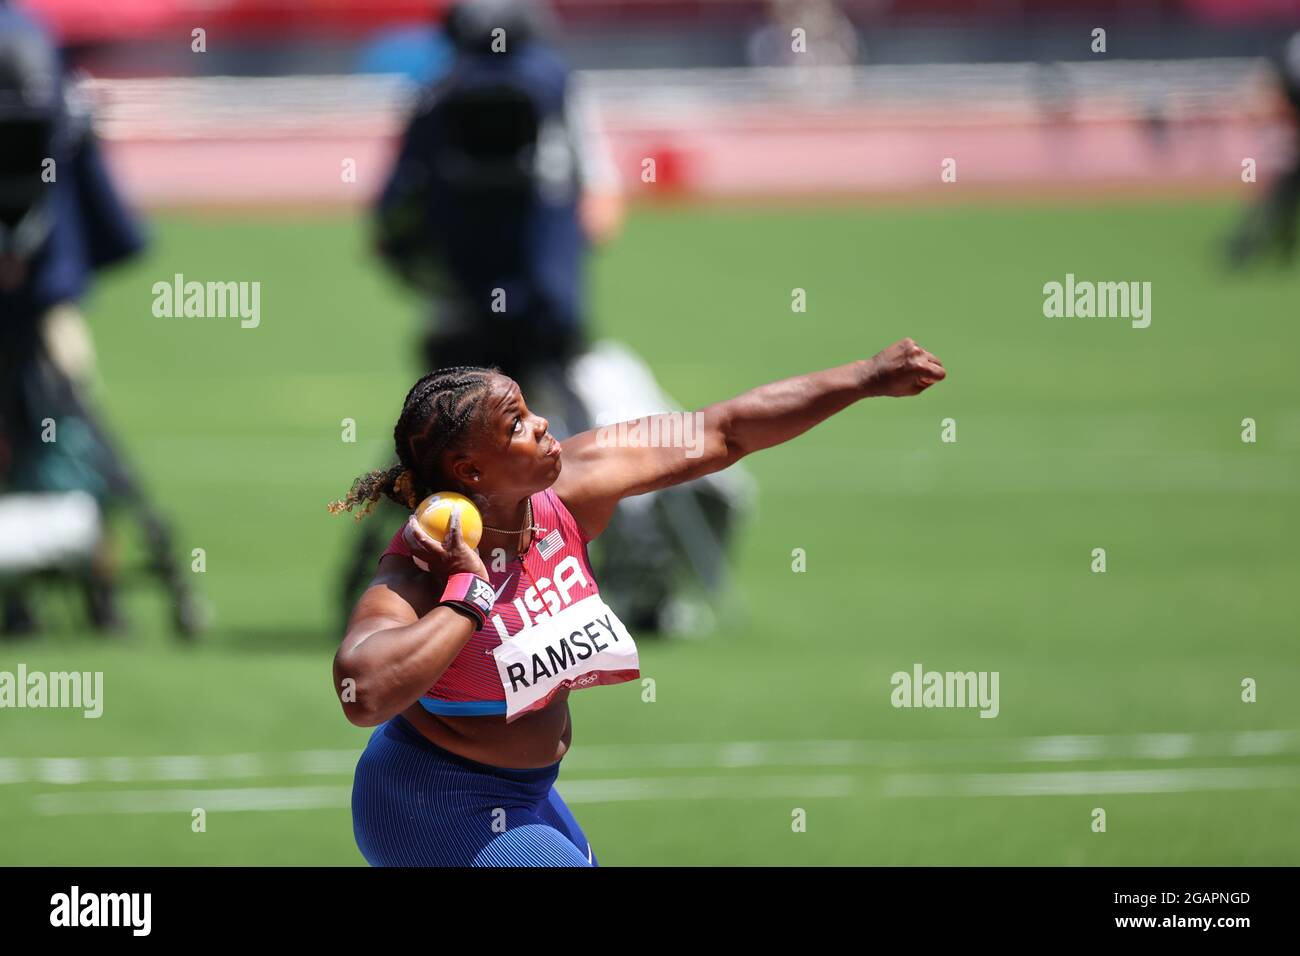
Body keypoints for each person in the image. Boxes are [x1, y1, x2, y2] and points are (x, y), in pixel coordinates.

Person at [329, 338, 946, 866]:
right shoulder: (421, 569)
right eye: (516, 423)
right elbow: (364, 693)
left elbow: (722, 431)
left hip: (527, 796)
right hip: (433, 800)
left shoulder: (571, 487)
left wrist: (864, 377)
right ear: (470, 472)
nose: (543, 422)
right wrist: (467, 598)